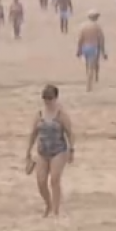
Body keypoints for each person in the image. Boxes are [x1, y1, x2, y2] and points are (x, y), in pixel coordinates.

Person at [24, 85, 75, 218]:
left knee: (55, 179)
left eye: (50, 99)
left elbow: (69, 133)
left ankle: (56, 211)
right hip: (42, 151)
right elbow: (33, 133)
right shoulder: (39, 114)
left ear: (55, 98)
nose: (47, 101)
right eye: (45, 99)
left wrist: (71, 150)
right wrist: (28, 151)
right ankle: (48, 204)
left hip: (59, 150)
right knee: (40, 181)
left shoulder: (61, 114)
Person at [76, 11, 106, 91]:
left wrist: (78, 50)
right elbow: (101, 40)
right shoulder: (97, 27)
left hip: (85, 47)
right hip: (93, 47)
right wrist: (103, 52)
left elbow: (80, 39)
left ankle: (89, 81)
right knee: (91, 67)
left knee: (87, 65)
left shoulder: (83, 26)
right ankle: (89, 85)